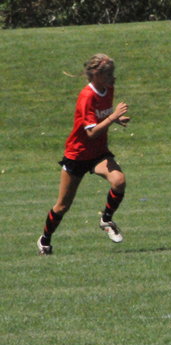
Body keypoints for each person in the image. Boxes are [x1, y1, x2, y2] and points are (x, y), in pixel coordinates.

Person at [37, 54, 130, 255]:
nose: (113, 78)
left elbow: (100, 117)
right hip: (77, 155)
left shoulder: (108, 89)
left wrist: (115, 119)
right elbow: (91, 132)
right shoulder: (87, 96)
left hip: (98, 153)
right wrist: (113, 116)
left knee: (119, 181)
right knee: (62, 206)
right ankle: (45, 240)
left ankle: (106, 220)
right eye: (109, 74)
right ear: (96, 75)